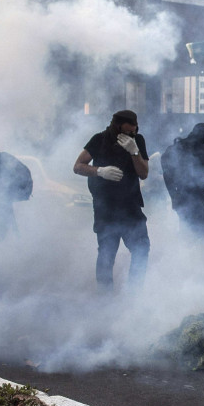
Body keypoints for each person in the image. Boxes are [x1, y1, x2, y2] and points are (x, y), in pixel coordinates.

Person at [73, 110, 150, 292]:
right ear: (117, 126)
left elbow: (144, 173)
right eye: (129, 130)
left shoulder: (137, 141)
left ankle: (135, 292)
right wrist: (99, 171)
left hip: (130, 207)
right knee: (106, 254)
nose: (133, 132)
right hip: (105, 208)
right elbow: (78, 166)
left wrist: (134, 152)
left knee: (141, 249)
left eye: (135, 129)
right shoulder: (99, 140)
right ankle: (104, 296)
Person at [161, 123, 204, 235]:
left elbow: (167, 176)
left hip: (183, 197)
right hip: (193, 197)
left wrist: (174, 196)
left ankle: (187, 251)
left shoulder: (176, 147)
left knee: (188, 232)